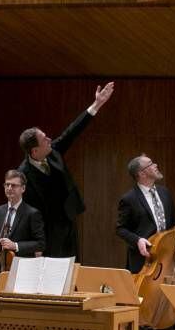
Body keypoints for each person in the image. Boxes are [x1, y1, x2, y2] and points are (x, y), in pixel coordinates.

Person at [18, 81, 114, 258]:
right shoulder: (23, 175)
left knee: (73, 265)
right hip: (47, 230)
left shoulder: (53, 152)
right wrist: (36, 243)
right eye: (44, 139)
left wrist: (97, 104)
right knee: (53, 273)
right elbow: (27, 211)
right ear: (34, 151)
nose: (49, 139)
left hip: (68, 218)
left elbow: (72, 131)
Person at [116, 154, 175, 330]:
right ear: (142, 173)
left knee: (164, 300)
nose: (156, 165)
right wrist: (138, 240)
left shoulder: (164, 193)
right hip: (143, 260)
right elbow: (121, 229)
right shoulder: (129, 199)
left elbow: (171, 223)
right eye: (152, 164)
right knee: (142, 304)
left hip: (165, 260)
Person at [0, 170, 46, 294]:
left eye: (13, 185)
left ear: (23, 188)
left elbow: (41, 243)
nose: (9, 188)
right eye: (7, 185)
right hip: (0, 271)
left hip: (23, 272)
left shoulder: (32, 213)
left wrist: (16, 246)